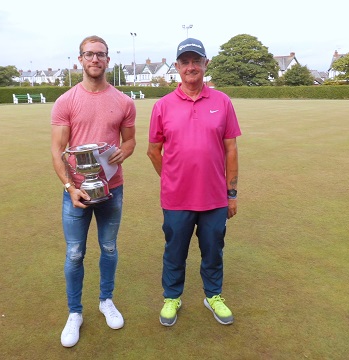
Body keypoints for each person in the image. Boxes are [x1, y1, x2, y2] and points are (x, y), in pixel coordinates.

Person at [147, 38, 241, 327]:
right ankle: (172, 297)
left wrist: (232, 193)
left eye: (196, 61)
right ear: (177, 66)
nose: (191, 67)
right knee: (174, 250)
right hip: (176, 199)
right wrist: (173, 178)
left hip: (214, 198)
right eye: (185, 62)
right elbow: (153, 150)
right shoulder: (162, 106)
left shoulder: (222, 101)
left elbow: (231, 149)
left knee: (213, 249)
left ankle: (213, 295)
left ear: (205, 64)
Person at [51, 35, 136, 347]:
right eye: (89, 54)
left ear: (108, 60)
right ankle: (75, 312)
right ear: (80, 59)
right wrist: (70, 188)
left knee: (109, 248)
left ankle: (105, 300)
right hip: (78, 192)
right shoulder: (66, 101)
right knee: (75, 253)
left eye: (101, 55)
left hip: (111, 190)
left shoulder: (124, 102)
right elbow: (57, 149)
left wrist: (124, 152)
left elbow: (130, 141)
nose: (95, 59)